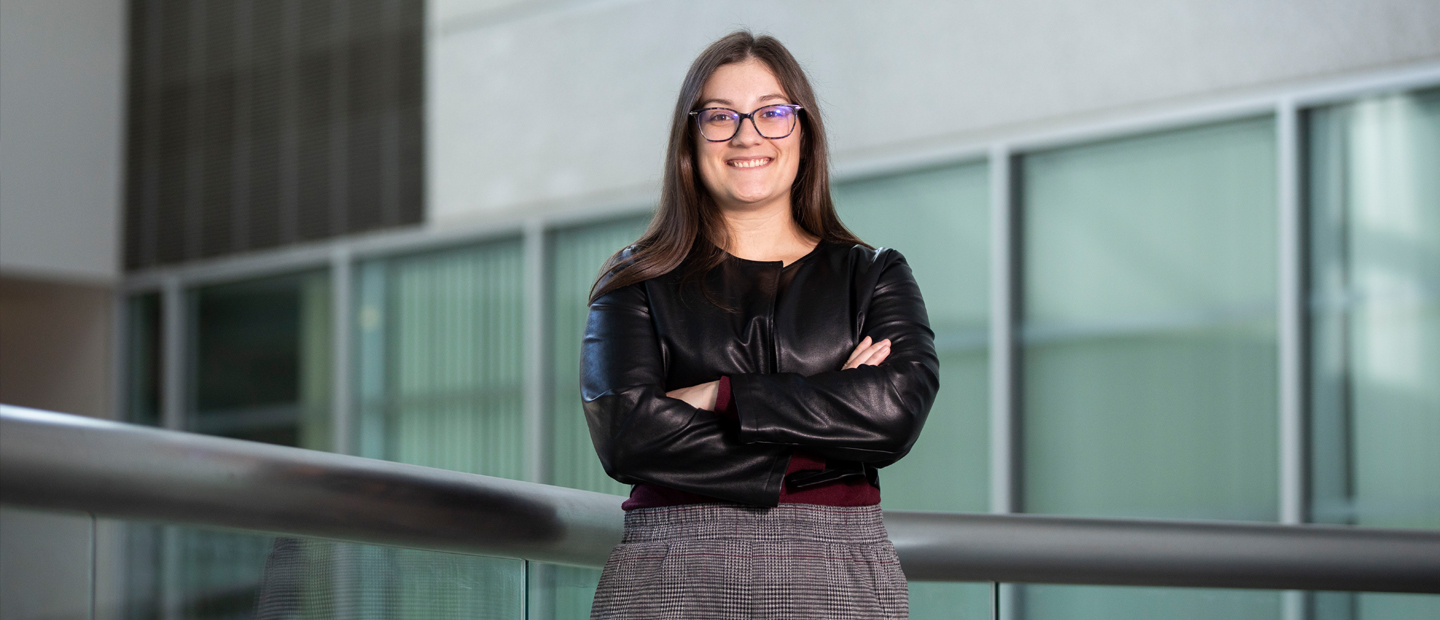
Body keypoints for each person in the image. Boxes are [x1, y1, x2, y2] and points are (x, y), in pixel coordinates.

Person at [580, 30, 939, 620]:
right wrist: (827, 434)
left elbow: (893, 416)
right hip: (672, 569)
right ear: (690, 143)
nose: (748, 134)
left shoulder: (873, 275)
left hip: (837, 571)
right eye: (721, 116)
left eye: (772, 112)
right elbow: (627, 436)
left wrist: (720, 395)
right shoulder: (635, 279)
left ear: (804, 133)